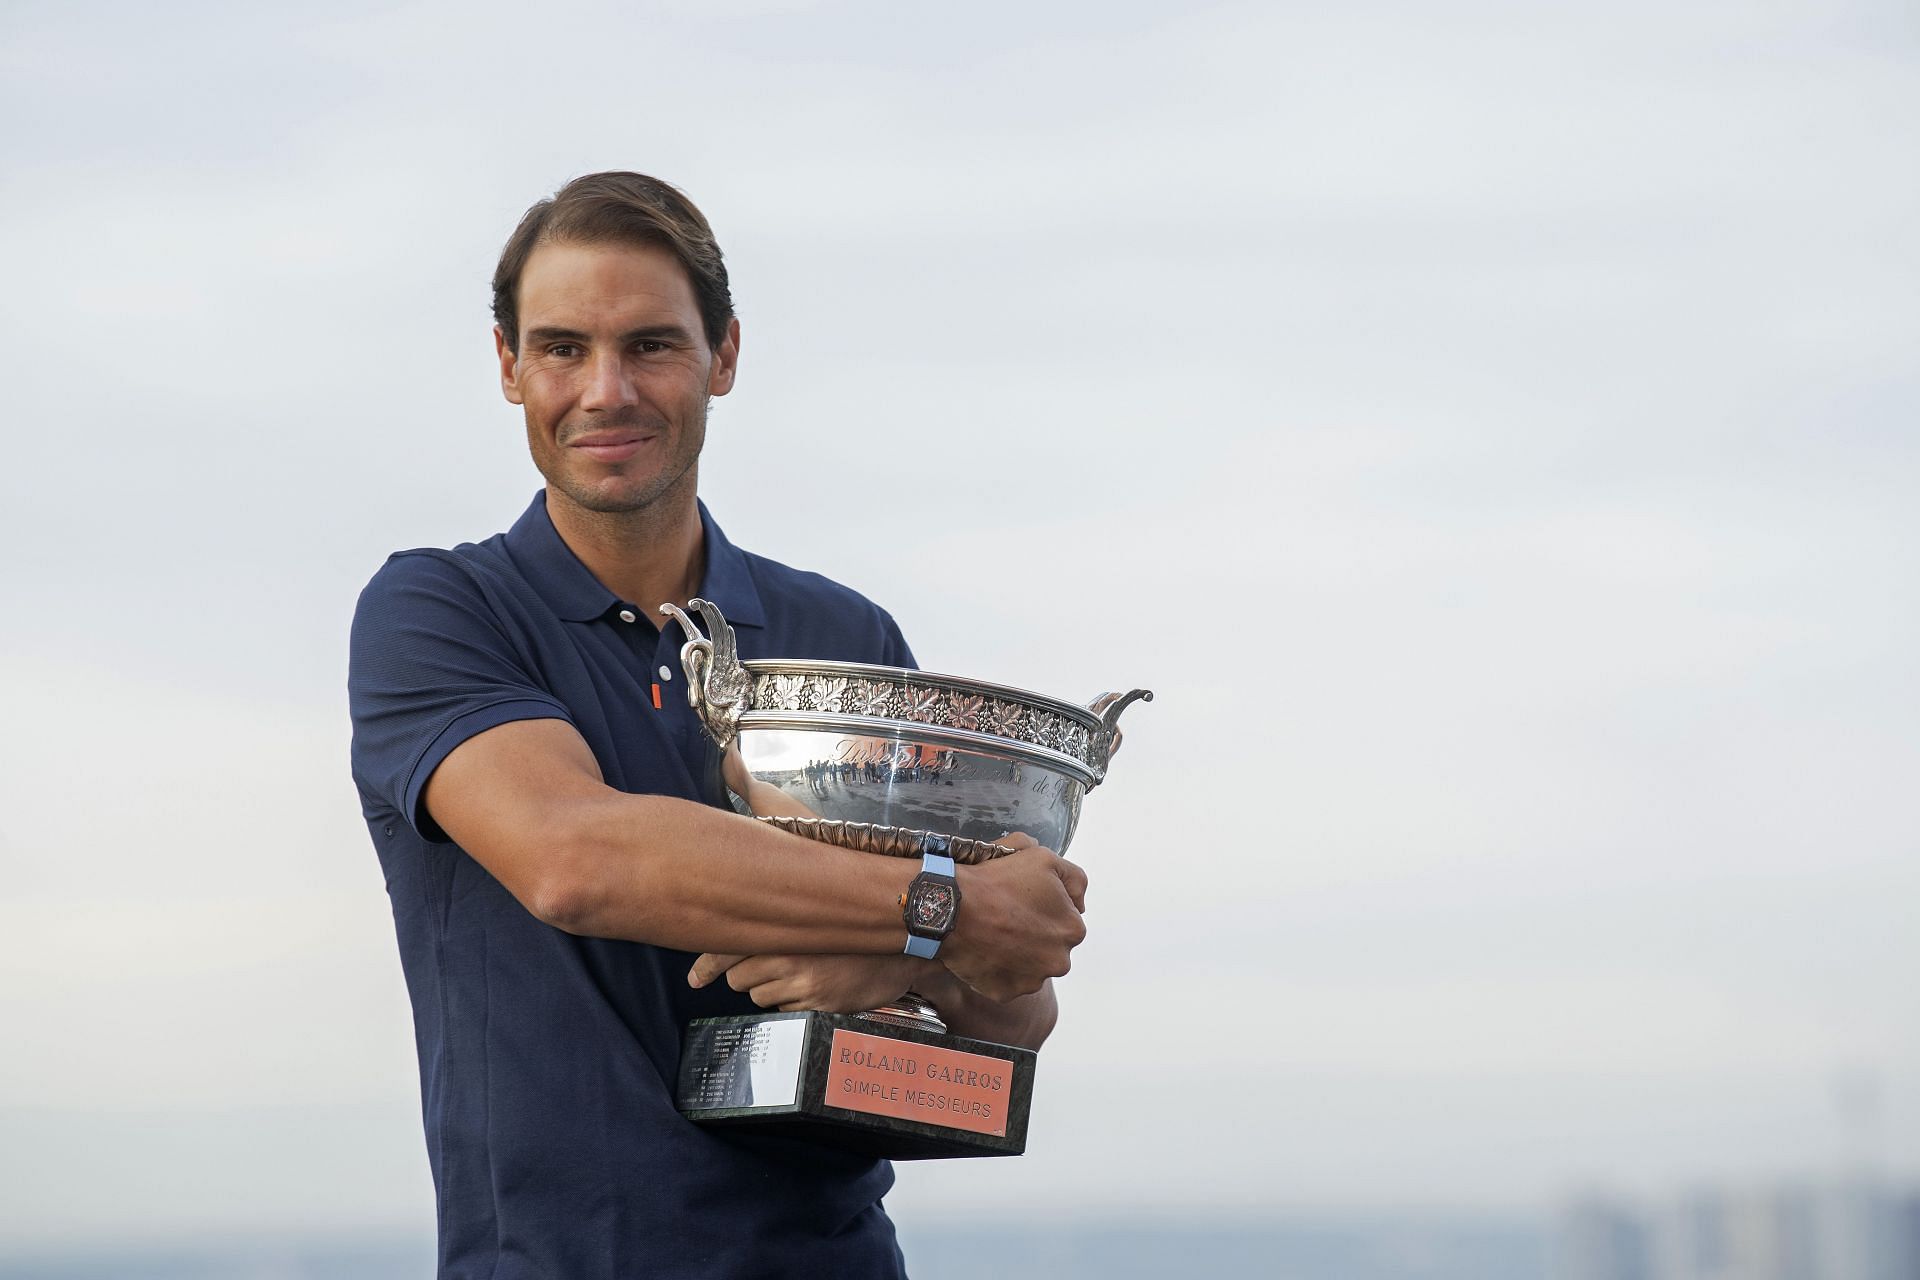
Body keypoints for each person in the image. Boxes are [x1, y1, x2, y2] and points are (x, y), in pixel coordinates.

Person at [347, 172, 1089, 1279]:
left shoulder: (840, 633)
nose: (606, 390)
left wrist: (913, 952)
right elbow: (574, 857)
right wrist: (934, 911)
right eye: (561, 348)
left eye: (651, 345)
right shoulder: (441, 611)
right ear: (508, 366)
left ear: (723, 357)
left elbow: (1012, 1010)